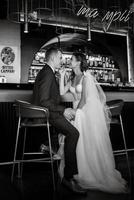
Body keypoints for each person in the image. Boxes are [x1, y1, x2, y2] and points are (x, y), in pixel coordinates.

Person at [58, 52, 128, 193]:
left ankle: (88, 171)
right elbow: (61, 92)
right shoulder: (72, 78)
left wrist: (76, 113)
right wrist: (61, 76)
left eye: (71, 59)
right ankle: (74, 170)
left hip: (84, 111)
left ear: (78, 62)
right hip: (76, 111)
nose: (69, 61)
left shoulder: (86, 77)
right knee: (72, 137)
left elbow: (84, 100)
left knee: (81, 139)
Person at [32, 47, 87, 195]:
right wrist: (63, 110)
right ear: (54, 58)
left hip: (50, 113)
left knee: (69, 131)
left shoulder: (47, 72)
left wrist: (63, 110)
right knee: (73, 134)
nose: (62, 61)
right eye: (61, 58)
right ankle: (68, 178)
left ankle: (48, 145)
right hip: (48, 114)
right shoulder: (48, 74)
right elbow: (44, 101)